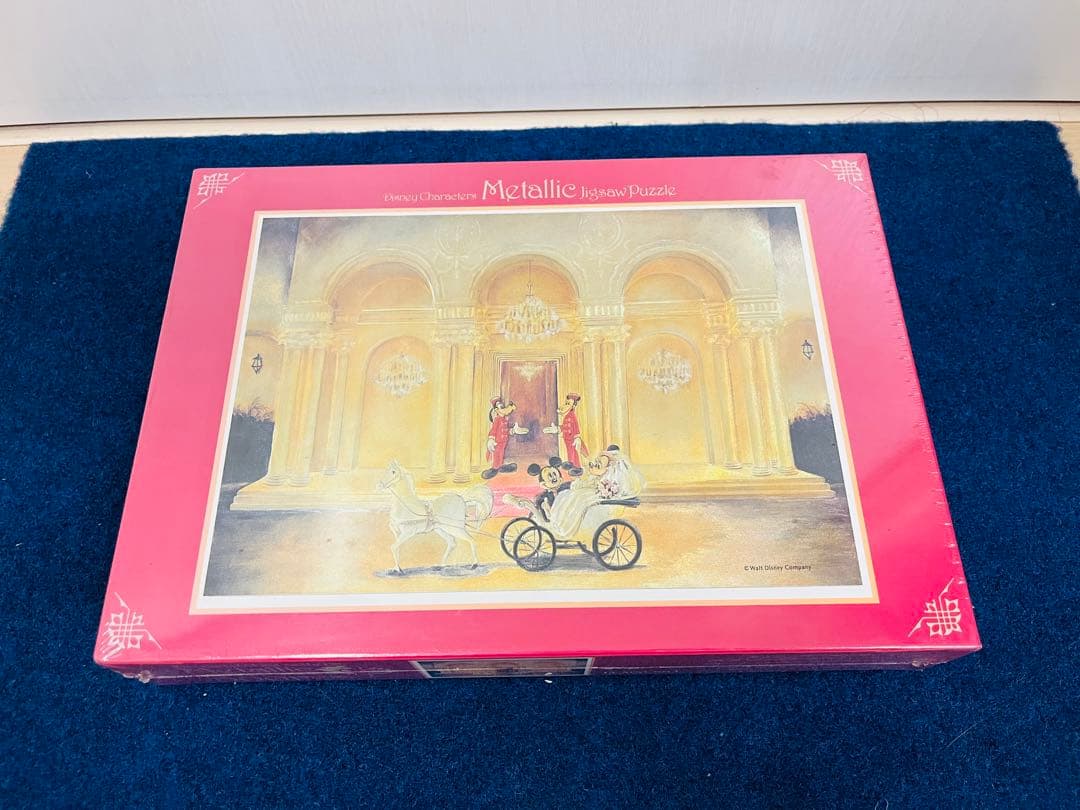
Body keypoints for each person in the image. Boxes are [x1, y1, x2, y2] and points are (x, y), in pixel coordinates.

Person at [482, 397, 528, 480]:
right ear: (496, 410)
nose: (504, 409)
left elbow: (506, 431)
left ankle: (500, 466)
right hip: (498, 442)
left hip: (503, 441)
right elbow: (493, 430)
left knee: (501, 454)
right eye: (502, 407)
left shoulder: (504, 420)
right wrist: (491, 439)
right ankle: (495, 468)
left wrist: (513, 431)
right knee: (497, 454)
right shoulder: (497, 420)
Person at [543, 392, 588, 475]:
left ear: (573, 406)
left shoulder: (572, 416)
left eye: (569, 404)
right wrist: (557, 429)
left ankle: (576, 468)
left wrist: (577, 438)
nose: (566, 405)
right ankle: (572, 467)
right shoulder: (567, 416)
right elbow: (565, 426)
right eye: (566, 403)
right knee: (570, 453)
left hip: (572, 440)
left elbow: (576, 428)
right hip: (567, 439)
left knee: (573, 454)